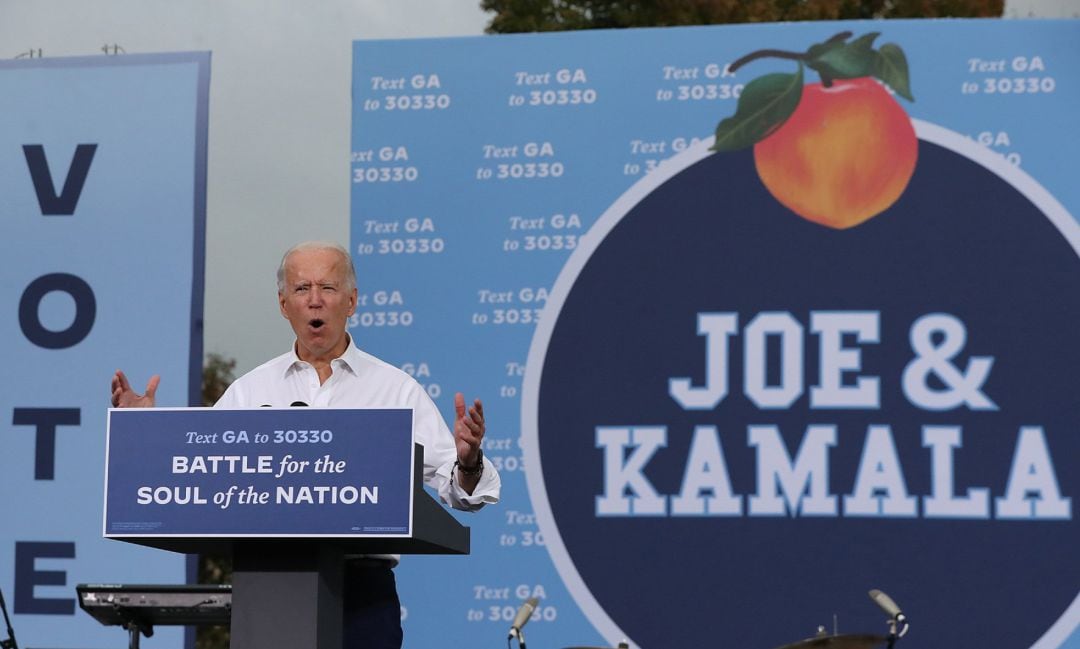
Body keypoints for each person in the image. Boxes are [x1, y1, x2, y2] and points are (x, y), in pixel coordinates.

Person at [111, 240, 501, 649]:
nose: (315, 301)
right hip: (266, 589)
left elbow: (463, 494)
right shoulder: (249, 391)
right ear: (284, 305)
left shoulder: (395, 389)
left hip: (361, 595)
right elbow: (200, 478)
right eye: (302, 289)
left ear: (351, 302)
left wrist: (469, 462)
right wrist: (144, 433)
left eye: (328, 288)